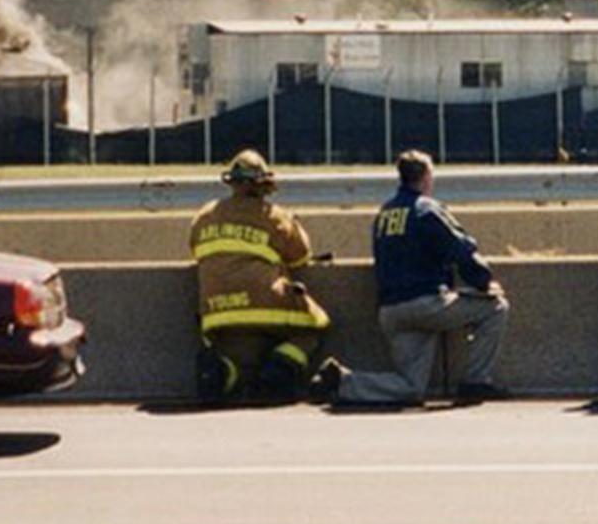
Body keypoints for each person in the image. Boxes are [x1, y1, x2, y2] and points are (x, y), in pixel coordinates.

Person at [318, 149, 510, 408]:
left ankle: (343, 382)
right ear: (425, 177)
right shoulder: (426, 209)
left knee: (410, 388)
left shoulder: (384, 214)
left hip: (391, 312)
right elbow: (460, 249)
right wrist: (484, 282)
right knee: (496, 308)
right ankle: (475, 382)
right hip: (426, 304)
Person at [188, 148, 331, 401]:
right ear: (264, 184)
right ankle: (278, 371)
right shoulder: (275, 216)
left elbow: (196, 251)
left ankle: (225, 372)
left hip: (216, 312)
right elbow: (300, 256)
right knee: (314, 326)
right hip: (265, 304)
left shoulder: (204, 216)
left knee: (239, 349)